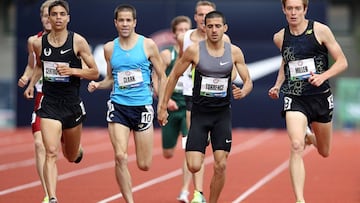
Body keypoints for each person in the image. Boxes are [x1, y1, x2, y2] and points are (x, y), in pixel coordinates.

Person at [158, 11, 253, 203]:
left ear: (225, 28)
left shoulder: (234, 51)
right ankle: (202, 143)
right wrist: (162, 106)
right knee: (193, 165)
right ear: (204, 28)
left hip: (221, 115)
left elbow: (248, 80)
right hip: (199, 114)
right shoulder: (194, 50)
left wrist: (244, 91)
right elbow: (173, 76)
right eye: (210, 26)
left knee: (220, 165)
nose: (214, 30)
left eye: (218, 26)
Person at [268, 0, 348, 202]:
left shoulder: (320, 30)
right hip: (295, 98)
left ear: (305, 9)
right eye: (289, 9)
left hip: (320, 97)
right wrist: (278, 85)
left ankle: (311, 138)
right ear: (283, 10)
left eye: (297, 8)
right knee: (295, 145)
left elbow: (342, 61)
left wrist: (323, 76)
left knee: (324, 151)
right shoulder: (280, 37)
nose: (293, 13)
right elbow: (287, 61)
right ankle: (300, 199)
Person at [87, 4, 167, 203]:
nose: (124, 24)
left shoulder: (147, 45)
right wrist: (98, 85)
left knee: (144, 164)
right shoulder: (109, 48)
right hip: (118, 106)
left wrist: (162, 106)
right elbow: (112, 79)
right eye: (121, 20)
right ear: (115, 23)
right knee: (120, 157)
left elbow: (162, 76)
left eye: (128, 20)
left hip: (142, 107)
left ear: (134, 22)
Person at [24, 1, 100, 203]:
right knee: (50, 152)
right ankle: (52, 197)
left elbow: (94, 72)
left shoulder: (78, 41)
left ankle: (76, 150)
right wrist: (32, 84)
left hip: (71, 104)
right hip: (49, 103)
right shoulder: (38, 43)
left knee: (71, 155)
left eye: (62, 14)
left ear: (68, 18)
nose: (58, 18)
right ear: (48, 18)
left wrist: (73, 70)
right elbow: (40, 65)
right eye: (54, 14)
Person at [153, 15, 193, 203]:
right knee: (168, 153)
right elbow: (156, 77)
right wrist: (163, 100)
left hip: (189, 107)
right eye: (181, 30)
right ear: (174, 33)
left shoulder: (195, 53)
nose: (185, 33)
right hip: (171, 107)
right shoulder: (168, 55)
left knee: (190, 150)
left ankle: (184, 191)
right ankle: (176, 138)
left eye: (188, 29)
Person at [18, 1, 54, 202]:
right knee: (40, 145)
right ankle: (48, 193)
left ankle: (74, 148)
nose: (48, 19)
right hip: (42, 97)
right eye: (45, 15)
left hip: (64, 100)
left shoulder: (70, 40)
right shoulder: (34, 41)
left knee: (69, 152)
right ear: (41, 18)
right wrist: (26, 78)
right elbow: (32, 66)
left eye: (52, 14)